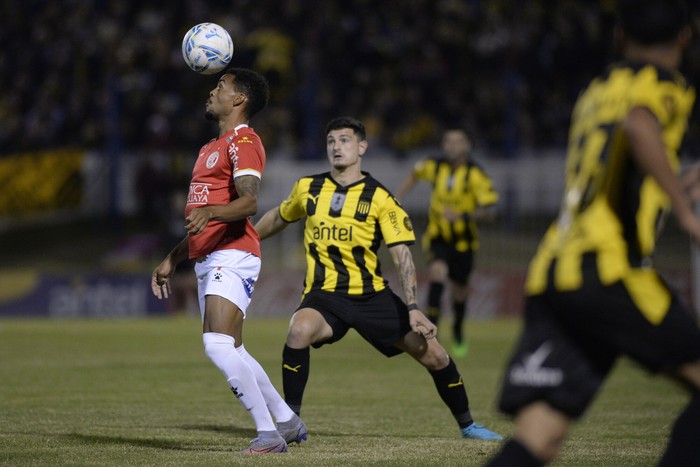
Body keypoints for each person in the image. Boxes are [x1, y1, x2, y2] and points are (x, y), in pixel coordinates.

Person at [486, 1, 700, 465]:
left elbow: (612, 169)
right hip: (610, 269)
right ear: (686, 37)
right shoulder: (666, 86)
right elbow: (640, 125)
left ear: (620, 37)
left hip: (555, 271)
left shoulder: (597, 88)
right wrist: (687, 214)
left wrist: (677, 187)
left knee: (540, 434)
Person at [254, 116, 502, 441]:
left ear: (362, 147)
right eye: (331, 141)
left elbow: (402, 255)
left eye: (344, 140)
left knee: (436, 355)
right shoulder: (308, 188)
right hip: (324, 295)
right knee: (298, 330)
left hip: (372, 297)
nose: (336, 147)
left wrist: (413, 306)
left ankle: (468, 426)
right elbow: (280, 216)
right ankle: (291, 424)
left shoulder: (380, 197)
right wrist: (249, 240)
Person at [150, 67, 306, 455]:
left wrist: (213, 213)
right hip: (211, 255)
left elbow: (250, 201)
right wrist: (173, 258)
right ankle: (287, 422)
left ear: (239, 100)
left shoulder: (245, 140)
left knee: (216, 345)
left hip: (233, 253)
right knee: (233, 349)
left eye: (221, 86)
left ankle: (269, 436)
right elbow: (203, 219)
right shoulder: (208, 148)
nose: (213, 90)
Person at [396, 127, 498, 357]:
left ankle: (458, 329)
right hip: (437, 237)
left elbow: (489, 212)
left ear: (467, 146)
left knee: (459, 292)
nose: (452, 146)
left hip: (464, 242)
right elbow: (414, 173)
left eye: (458, 141)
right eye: (448, 141)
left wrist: (462, 216)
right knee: (437, 275)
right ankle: (432, 333)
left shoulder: (475, 174)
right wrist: (397, 199)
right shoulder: (435, 165)